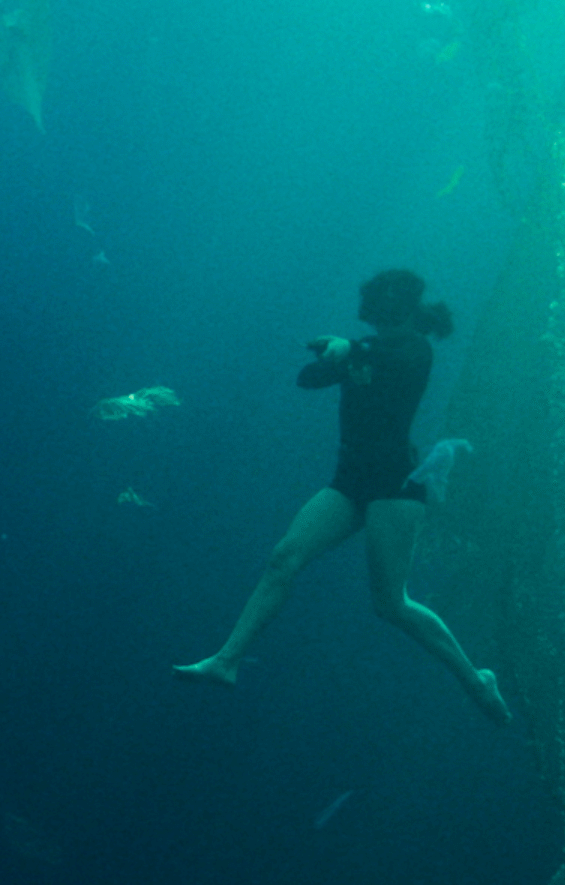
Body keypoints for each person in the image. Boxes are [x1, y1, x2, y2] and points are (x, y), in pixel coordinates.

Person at [176, 269, 512, 725]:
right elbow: (307, 380)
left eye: (391, 314)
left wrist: (351, 349)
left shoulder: (415, 349)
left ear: (411, 314)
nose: (382, 322)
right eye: (378, 315)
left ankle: (476, 680)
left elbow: (397, 360)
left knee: (391, 604)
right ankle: (227, 660)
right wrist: (338, 356)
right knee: (284, 557)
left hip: (396, 482)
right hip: (349, 479)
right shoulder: (366, 349)